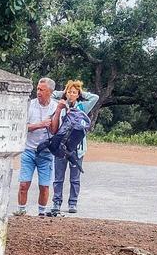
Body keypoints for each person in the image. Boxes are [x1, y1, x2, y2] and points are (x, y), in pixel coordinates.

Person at [43, 80, 100, 216]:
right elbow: (51, 95)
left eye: (74, 92)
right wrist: (64, 94)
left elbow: (95, 98)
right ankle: (57, 202)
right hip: (60, 145)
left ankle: (73, 202)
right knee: (58, 177)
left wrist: (80, 92)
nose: (71, 94)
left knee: (75, 178)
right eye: (69, 91)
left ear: (78, 94)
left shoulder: (83, 107)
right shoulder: (60, 105)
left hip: (77, 147)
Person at [16, 77, 61, 216]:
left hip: (46, 152)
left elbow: (54, 130)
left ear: (50, 92)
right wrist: (39, 125)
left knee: (44, 185)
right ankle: (21, 211)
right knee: (24, 184)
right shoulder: (30, 105)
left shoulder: (55, 107)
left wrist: (59, 111)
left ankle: (41, 213)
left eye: (42, 90)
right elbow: (22, 127)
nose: (39, 92)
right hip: (29, 150)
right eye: (37, 89)